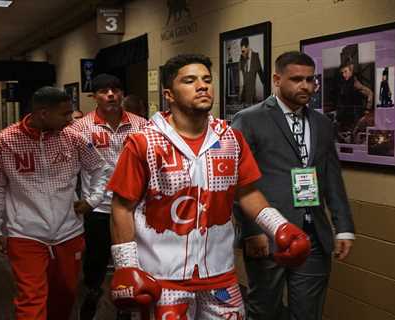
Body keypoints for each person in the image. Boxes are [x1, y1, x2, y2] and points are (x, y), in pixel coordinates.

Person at [106, 54, 311, 319]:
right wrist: (126, 266)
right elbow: (122, 207)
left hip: (220, 275)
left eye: (206, 79)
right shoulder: (144, 143)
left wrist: (279, 226)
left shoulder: (230, 139)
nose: (202, 86)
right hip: (162, 278)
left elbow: (247, 192)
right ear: (169, 94)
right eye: (190, 81)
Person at [232, 51, 355, 320]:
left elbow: (332, 177)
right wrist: (253, 231)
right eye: (297, 79)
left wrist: (343, 227)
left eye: (310, 80)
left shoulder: (322, 123)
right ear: (277, 79)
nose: (306, 86)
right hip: (269, 233)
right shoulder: (249, 119)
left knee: (308, 313)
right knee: (264, 309)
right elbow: (237, 182)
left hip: (313, 234)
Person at [0, 86, 112, 320]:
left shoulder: (73, 137)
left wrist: (92, 200)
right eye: (65, 114)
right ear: (43, 113)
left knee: (66, 295)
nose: (70, 119)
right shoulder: (4, 141)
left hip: (68, 231)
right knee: (31, 300)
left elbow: (101, 168)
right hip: (25, 233)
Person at [71, 74, 147, 320]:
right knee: (96, 262)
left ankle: (126, 307)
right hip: (99, 207)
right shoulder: (80, 127)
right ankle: (91, 299)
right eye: (104, 91)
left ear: (122, 94)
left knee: (130, 258)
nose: (111, 95)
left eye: (115, 90)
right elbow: (69, 166)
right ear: (94, 96)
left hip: (134, 206)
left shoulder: (141, 125)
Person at [334, 61, 373, 143]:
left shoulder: (355, 83)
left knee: (353, 140)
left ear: (351, 71)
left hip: (355, 117)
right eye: (342, 72)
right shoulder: (344, 83)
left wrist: (367, 109)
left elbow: (370, 93)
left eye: (346, 72)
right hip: (345, 117)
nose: (344, 74)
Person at [239, 37, 265, 105]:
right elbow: (241, 77)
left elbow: (262, 76)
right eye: (241, 51)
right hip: (244, 97)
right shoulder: (241, 58)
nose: (242, 54)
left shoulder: (255, 56)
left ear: (248, 47)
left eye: (243, 51)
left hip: (252, 96)